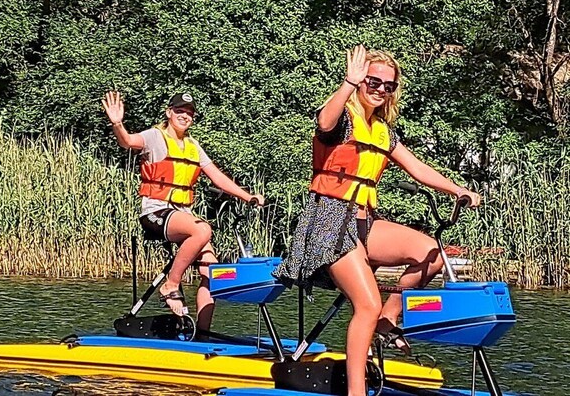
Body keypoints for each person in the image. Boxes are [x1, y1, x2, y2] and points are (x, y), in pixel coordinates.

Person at [274, 45, 481, 396]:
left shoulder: (384, 131)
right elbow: (324, 121)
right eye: (373, 81)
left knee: (430, 251)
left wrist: (457, 189)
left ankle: (389, 318)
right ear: (361, 81)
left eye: (387, 85)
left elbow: (417, 169)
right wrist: (347, 82)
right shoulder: (342, 119)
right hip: (327, 224)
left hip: (363, 222)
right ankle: (358, 390)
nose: (380, 89)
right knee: (365, 304)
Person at [102, 90, 264, 332]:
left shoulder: (192, 146)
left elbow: (218, 177)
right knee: (202, 231)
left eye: (189, 114)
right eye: (180, 111)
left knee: (212, 269)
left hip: (182, 215)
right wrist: (118, 124)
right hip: (156, 213)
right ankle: (171, 284)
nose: (184, 116)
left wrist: (247, 196)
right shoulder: (155, 137)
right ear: (169, 113)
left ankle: (203, 334)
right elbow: (128, 142)